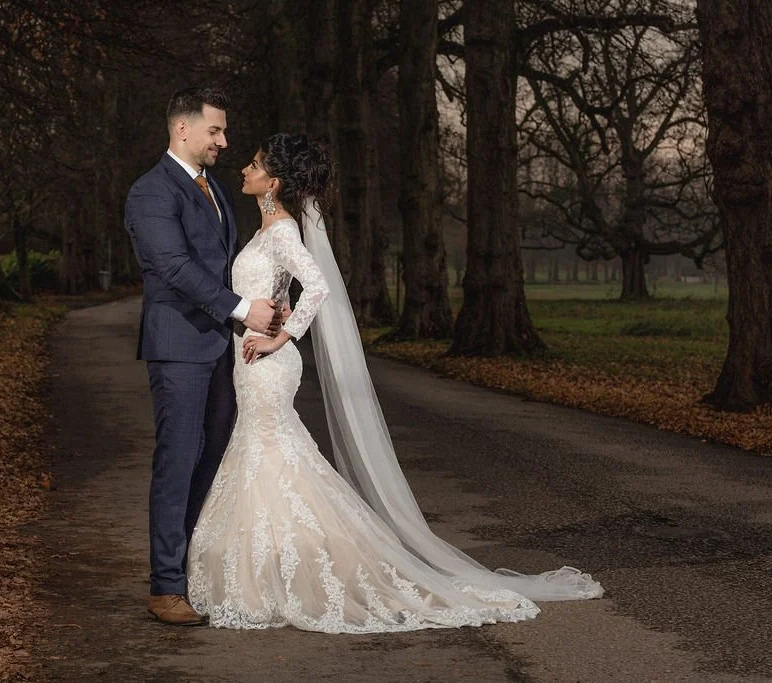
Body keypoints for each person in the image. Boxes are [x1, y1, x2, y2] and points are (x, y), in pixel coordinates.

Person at [185, 133, 603, 633]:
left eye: (254, 165)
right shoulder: (269, 229)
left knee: (271, 455)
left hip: (266, 365)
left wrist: (282, 338)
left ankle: (290, 572)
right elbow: (281, 290)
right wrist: (282, 310)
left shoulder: (281, 231)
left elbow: (317, 286)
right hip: (253, 358)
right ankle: (274, 569)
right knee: (270, 454)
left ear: (273, 182)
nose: (244, 171)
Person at [124, 87, 284, 626]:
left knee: (211, 460)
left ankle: (191, 572)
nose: (224, 140)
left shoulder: (213, 187)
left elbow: (223, 263)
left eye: (223, 130)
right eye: (215, 130)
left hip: (220, 347)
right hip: (179, 348)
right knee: (177, 462)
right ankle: (165, 586)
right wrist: (242, 309)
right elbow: (173, 267)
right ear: (182, 130)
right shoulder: (150, 192)